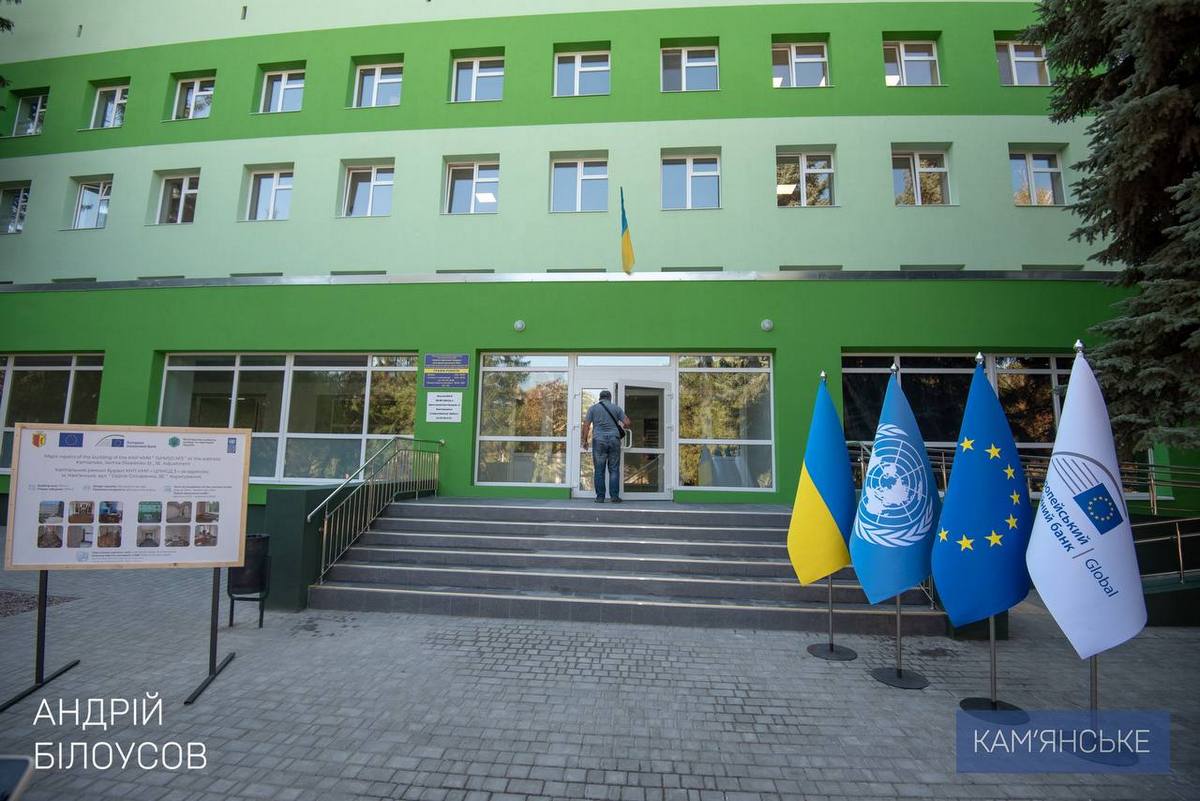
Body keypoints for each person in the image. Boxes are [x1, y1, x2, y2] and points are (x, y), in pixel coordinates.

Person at [581, 389, 632, 503]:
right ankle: (614, 497)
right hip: (614, 439)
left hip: (599, 440)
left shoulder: (593, 408)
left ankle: (600, 497)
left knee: (599, 470)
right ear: (610, 398)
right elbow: (627, 422)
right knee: (614, 469)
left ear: (600, 398)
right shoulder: (616, 408)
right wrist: (624, 427)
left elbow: (586, 425)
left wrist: (584, 441)